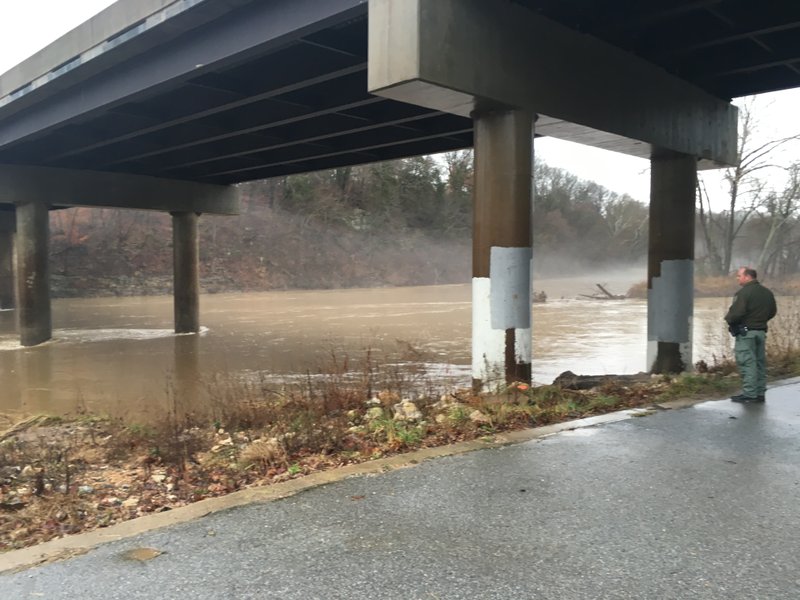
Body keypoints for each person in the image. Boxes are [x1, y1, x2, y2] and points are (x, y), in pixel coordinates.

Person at [724, 267, 777, 403]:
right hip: (760, 332)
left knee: (747, 362)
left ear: (747, 277)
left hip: (746, 333)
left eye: (739, 276)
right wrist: (760, 321)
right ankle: (759, 392)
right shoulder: (767, 293)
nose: (737, 278)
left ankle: (750, 394)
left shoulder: (743, 293)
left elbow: (736, 313)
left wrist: (729, 320)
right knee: (759, 362)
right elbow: (772, 311)